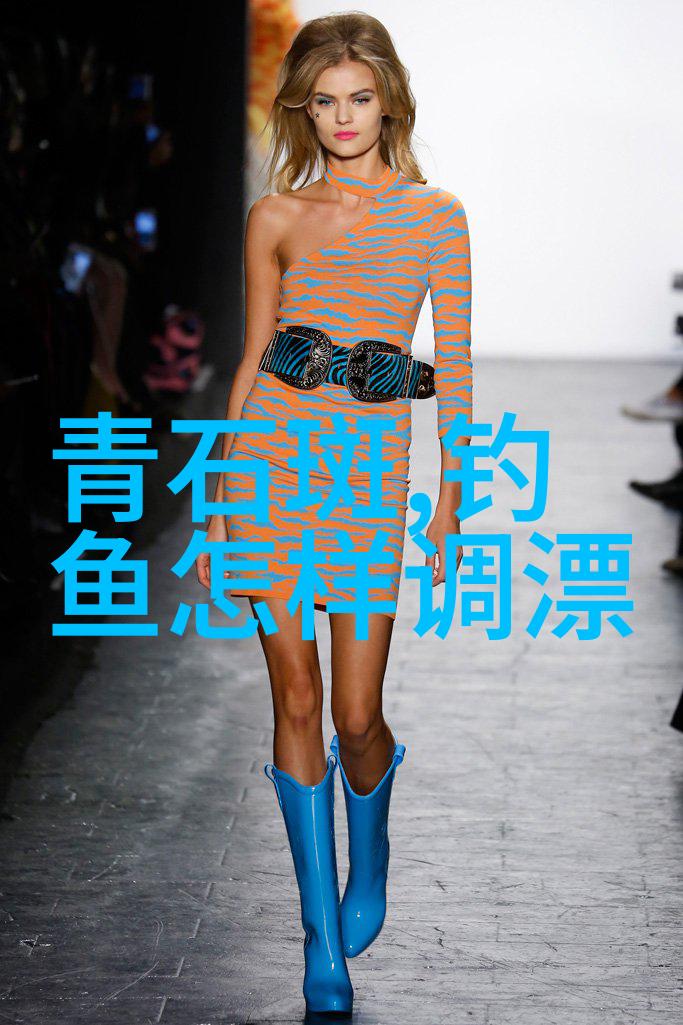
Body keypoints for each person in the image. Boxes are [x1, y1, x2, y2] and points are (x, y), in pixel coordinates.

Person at [195, 12, 473, 1015]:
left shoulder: (436, 216)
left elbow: (457, 369)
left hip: (366, 473)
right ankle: (319, 938)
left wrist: (449, 499)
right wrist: (215, 498)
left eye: (359, 97)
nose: (344, 116)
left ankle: (373, 841)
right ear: (303, 110)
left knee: (356, 715)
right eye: (325, 100)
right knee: (298, 697)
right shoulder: (274, 216)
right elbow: (250, 360)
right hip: (271, 463)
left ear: (388, 102)